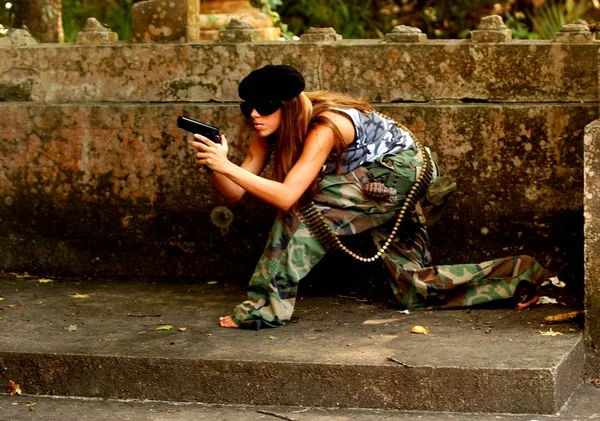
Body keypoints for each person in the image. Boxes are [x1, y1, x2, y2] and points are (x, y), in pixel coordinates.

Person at [188, 64, 547, 330]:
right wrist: (217, 163)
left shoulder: (324, 126)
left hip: (400, 173)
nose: (253, 114)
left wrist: (227, 165)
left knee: (302, 215)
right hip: (374, 182)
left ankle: (264, 309)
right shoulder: (265, 130)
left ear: (290, 106)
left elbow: (286, 198)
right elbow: (235, 194)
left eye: (265, 106)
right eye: (248, 106)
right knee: (415, 289)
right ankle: (522, 275)